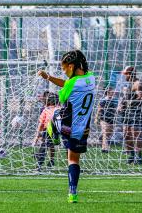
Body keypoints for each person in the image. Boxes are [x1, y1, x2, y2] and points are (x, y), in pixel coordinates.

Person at [38, 50, 95, 203]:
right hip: (84, 129)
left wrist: (49, 79)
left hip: (66, 126)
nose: (63, 71)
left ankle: (53, 133)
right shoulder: (91, 78)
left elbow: (62, 96)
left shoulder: (71, 84)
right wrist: (49, 77)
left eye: (64, 68)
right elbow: (69, 83)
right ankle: (72, 193)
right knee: (74, 160)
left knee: (54, 112)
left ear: (71, 66)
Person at [118, 66, 142, 165]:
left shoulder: (138, 84)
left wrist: (130, 102)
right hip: (127, 112)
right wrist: (121, 105)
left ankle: (139, 157)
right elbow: (125, 98)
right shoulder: (128, 84)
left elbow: (141, 97)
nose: (124, 76)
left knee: (136, 134)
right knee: (126, 134)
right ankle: (131, 155)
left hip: (136, 111)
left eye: (125, 74)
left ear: (130, 74)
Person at [33, 92, 60, 170]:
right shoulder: (60, 109)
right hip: (59, 129)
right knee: (51, 145)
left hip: (48, 129)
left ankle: (39, 164)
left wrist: (37, 135)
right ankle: (52, 160)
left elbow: (41, 124)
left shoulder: (46, 110)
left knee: (44, 146)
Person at [96, 87, 117, 153]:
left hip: (111, 119)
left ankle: (100, 138)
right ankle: (104, 148)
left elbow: (115, 109)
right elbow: (99, 109)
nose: (113, 92)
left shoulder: (115, 100)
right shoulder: (103, 100)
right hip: (103, 118)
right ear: (108, 92)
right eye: (112, 91)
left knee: (110, 132)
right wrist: (96, 118)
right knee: (105, 132)